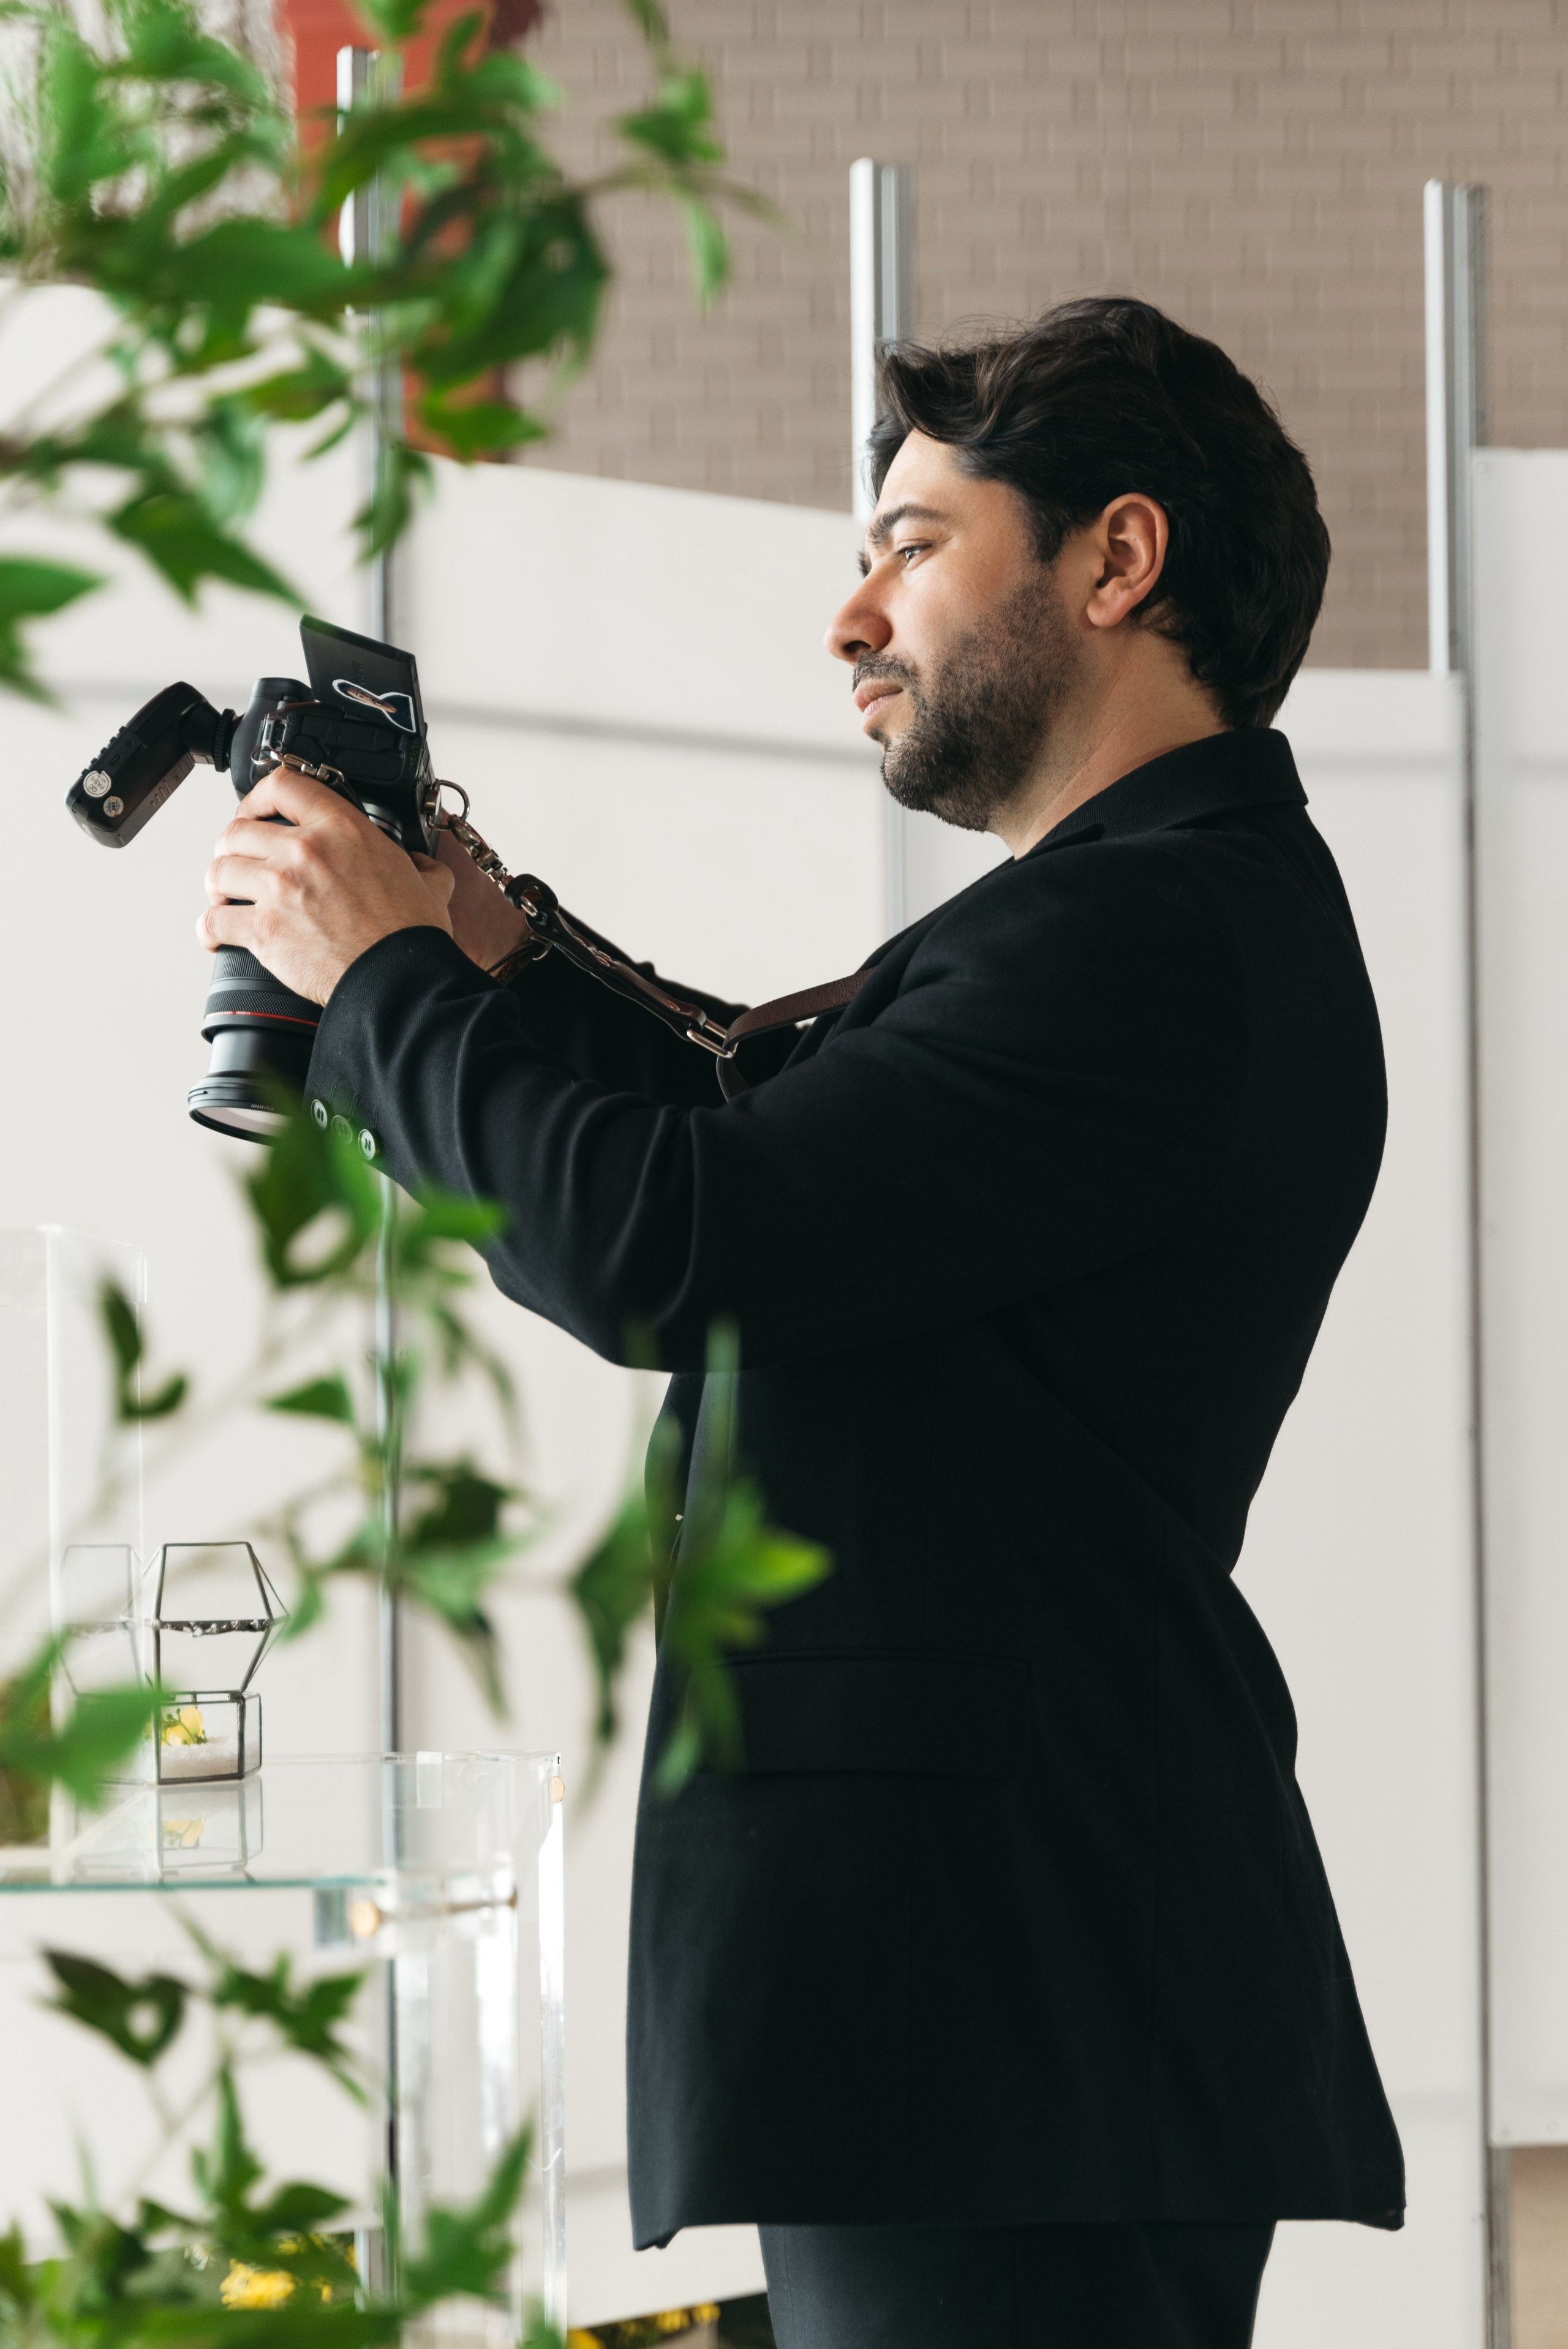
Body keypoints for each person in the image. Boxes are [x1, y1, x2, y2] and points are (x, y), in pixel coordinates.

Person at [198, 296, 1405, 2349]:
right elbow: (771, 1148)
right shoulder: (1130, 919)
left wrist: (388, 989)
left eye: (914, 544)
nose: (852, 617)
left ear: (1119, 562)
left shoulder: (1161, 933)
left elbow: (691, 1243)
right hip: (999, 2012)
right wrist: (491, 952)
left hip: (1010, 2009)